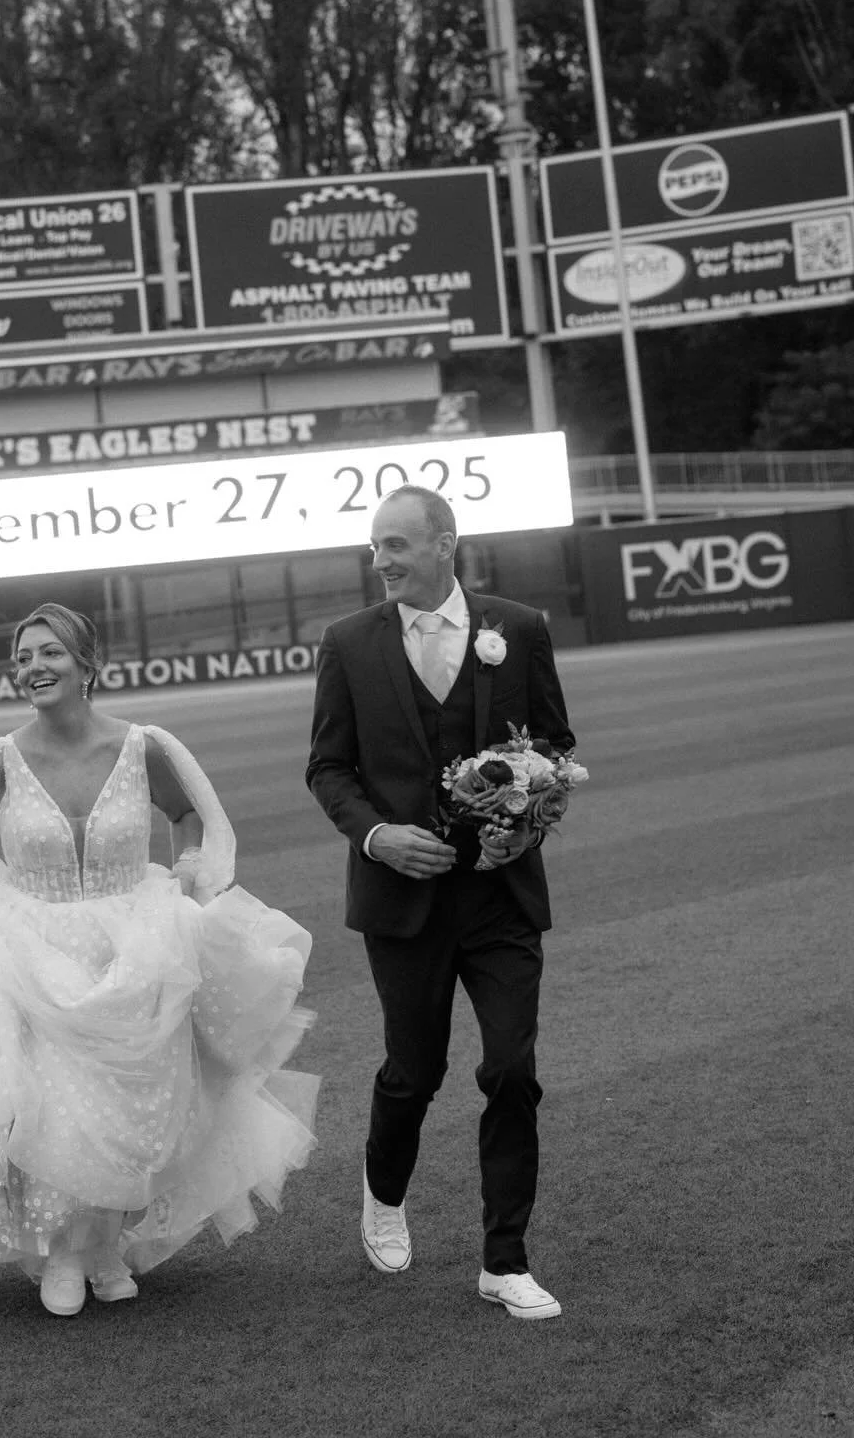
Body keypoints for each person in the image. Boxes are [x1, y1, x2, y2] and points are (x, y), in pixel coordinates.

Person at [0, 602, 317, 1317]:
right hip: (30, 950)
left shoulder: (144, 747)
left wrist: (188, 875)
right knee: (53, 1106)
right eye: (23, 658)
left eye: (49, 653)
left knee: (127, 1104)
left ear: (87, 665)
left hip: (132, 942)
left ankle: (103, 1244)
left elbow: (189, 815)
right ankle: (63, 1254)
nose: (34, 668)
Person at [305, 485, 575, 1322]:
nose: (380, 560)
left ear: (444, 543)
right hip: (402, 902)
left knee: (512, 1071)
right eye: (375, 547)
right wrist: (378, 837)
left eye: (395, 544)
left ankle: (505, 1261)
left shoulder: (518, 629)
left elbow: (555, 746)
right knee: (414, 1072)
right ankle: (384, 1195)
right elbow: (328, 768)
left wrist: (525, 825)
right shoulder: (348, 642)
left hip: (501, 898)